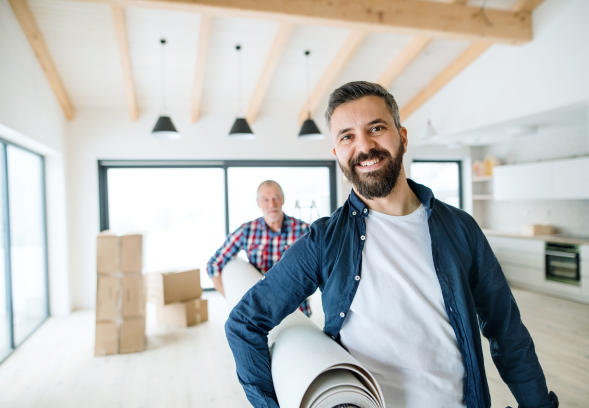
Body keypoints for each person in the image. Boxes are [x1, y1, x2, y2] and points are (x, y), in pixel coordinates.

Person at [225, 82, 558, 408]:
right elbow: (244, 323)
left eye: (376, 128)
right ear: (337, 153)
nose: (365, 146)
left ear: (403, 136)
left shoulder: (461, 228)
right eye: (347, 136)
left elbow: (508, 333)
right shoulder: (323, 241)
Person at [206, 180, 312, 316]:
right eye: (265, 200)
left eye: (276, 198)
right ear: (258, 203)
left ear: (283, 199)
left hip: (297, 308)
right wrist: (232, 301)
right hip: (261, 309)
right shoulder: (246, 231)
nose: (272, 205)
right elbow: (214, 265)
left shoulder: (304, 230)